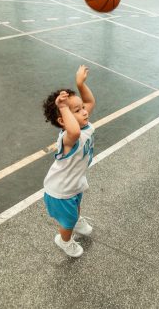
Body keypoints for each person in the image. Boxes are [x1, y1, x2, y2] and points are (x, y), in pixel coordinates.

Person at [43, 65, 95, 257]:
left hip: (74, 183)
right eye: (77, 110)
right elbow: (73, 131)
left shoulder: (84, 123)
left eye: (82, 108)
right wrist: (63, 106)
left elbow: (89, 101)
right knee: (67, 222)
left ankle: (77, 219)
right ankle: (64, 241)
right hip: (61, 190)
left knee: (77, 206)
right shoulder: (68, 137)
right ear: (63, 120)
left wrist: (80, 84)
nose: (84, 111)